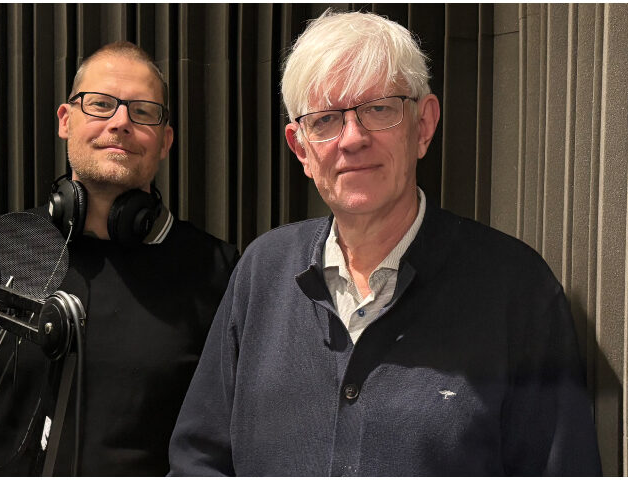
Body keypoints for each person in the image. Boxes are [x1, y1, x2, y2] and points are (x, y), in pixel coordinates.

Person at [168, 11, 601, 476]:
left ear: (423, 125)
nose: (353, 139)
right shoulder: (262, 271)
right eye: (325, 119)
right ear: (301, 148)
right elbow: (198, 460)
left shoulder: (515, 287)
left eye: (378, 109)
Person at [0, 41, 239, 475]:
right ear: (66, 120)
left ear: (165, 141)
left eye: (142, 112)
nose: (120, 122)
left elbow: (224, 440)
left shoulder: (217, 269)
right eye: (100, 105)